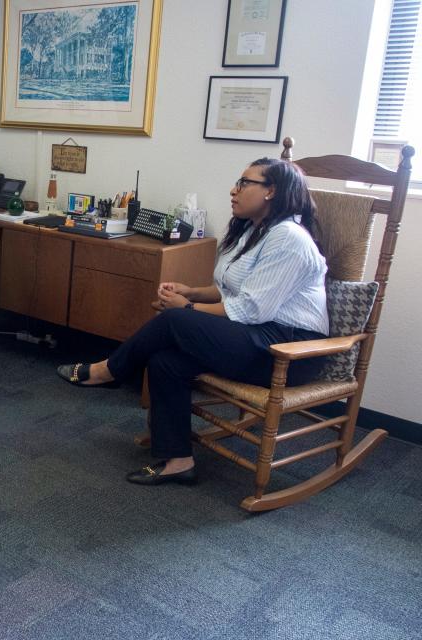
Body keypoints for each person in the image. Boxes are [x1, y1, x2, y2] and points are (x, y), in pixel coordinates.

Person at [57, 158, 329, 486]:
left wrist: (186, 307)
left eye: (244, 183)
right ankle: (178, 461)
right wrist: (192, 293)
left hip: (289, 350)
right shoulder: (256, 231)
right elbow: (233, 290)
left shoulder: (289, 238)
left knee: (174, 320)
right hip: (256, 334)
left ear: (271, 191)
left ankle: (107, 371)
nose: (234, 190)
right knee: (165, 360)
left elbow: (252, 309)